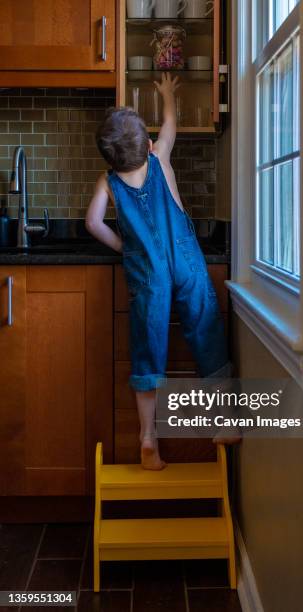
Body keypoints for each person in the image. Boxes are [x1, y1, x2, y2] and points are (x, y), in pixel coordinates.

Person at [86, 73, 234, 470]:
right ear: (148, 145)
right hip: (186, 263)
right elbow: (171, 125)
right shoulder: (160, 160)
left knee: (148, 351)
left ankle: (148, 438)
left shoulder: (108, 182)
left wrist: (125, 247)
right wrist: (168, 95)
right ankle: (224, 420)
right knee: (205, 330)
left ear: (108, 159)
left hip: (147, 275)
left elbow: (93, 223)